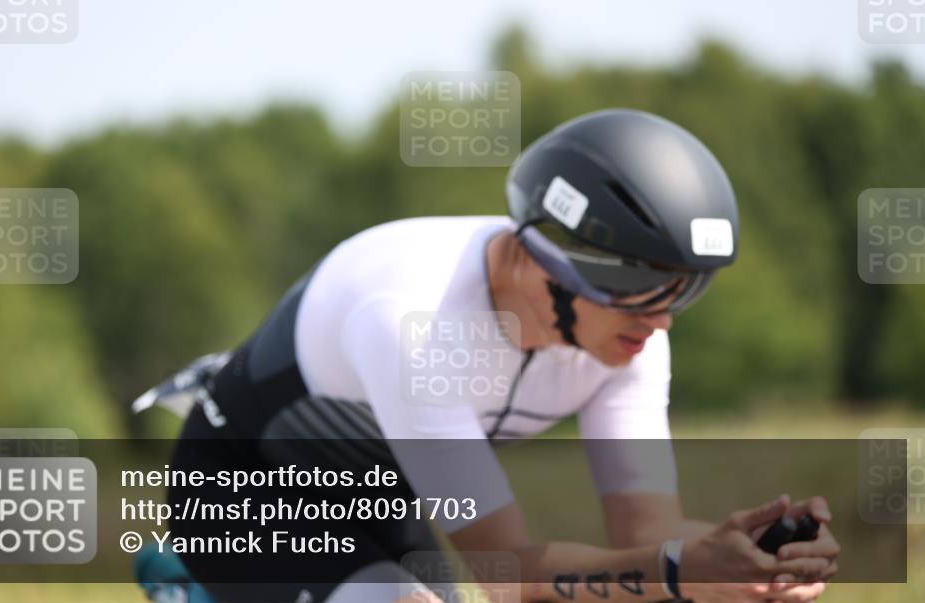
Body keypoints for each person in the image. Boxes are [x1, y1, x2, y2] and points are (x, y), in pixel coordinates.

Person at [147, 109, 840, 603]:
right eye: (645, 288)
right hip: (244, 488)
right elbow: (511, 577)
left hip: (376, 482)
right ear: (552, 261)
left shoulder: (630, 336)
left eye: (685, 289)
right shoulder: (417, 323)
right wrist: (681, 571)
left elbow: (647, 532)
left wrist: (739, 559)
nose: (661, 319)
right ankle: (191, 580)